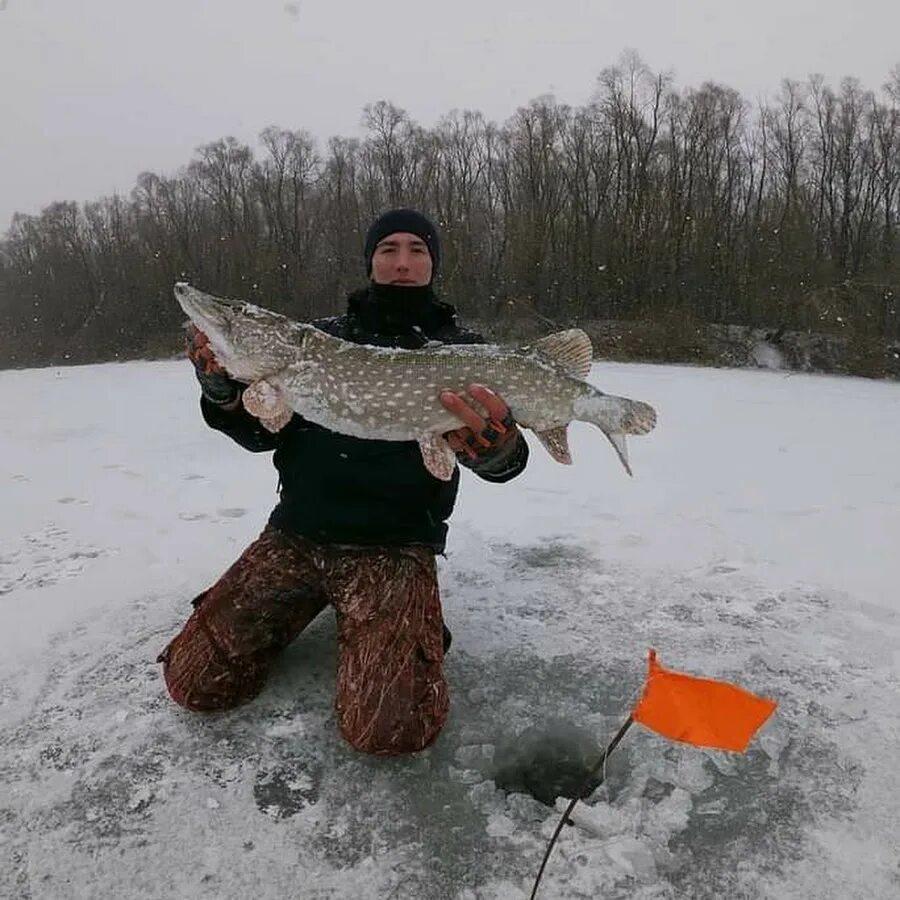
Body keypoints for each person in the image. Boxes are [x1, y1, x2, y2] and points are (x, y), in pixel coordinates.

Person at [157, 208, 529, 755]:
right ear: (371, 261)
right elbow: (260, 435)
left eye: (416, 250)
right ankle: (336, 608)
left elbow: (511, 459)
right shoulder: (317, 343)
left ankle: (408, 623)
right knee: (194, 684)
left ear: (433, 262)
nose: (402, 262)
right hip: (296, 537)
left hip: (395, 547)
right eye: (388, 250)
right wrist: (221, 391)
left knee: (390, 732)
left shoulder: (465, 353)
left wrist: (497, 451)